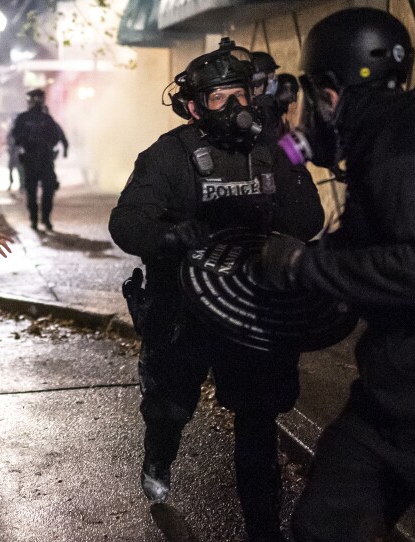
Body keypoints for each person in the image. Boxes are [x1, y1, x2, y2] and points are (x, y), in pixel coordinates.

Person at [108, 38, 324, 542]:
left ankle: (263, 530)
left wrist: (282, 155)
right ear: (194, 107)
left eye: (239, 95)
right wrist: (168, 237)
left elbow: (309, 220)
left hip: (252, 308)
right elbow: (125, 221)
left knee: (257, 422)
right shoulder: (167, 154)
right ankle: (159, 454)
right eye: (217, 98)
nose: (233, 107)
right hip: (185, 308)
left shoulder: (278, 146)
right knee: (170, 406)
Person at [263, 8, 415, 541]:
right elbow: (361, 247)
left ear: (329, 91)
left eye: (311, 93)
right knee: (324, 526)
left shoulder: (411, 143)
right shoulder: (393, 136)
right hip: (393, 404)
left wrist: (304, 264)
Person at [11, 88, 68, 231]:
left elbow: (16, 138)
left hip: (39, 160)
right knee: (40, 192)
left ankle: (38, 219)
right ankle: (40, 219)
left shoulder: (26, 118)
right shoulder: (43, 119)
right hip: (38, 160)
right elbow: (55, 138)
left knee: (38, 192)